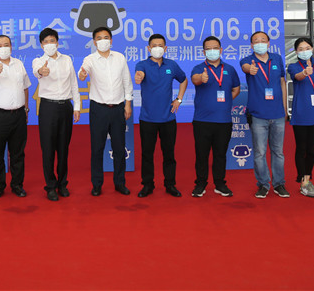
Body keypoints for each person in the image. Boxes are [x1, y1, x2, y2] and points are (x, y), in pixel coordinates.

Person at [78, 26, 133, 196]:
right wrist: (82, 74)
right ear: (94, 42)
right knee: (97, 148)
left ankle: (119, 183)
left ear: (111, 40)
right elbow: (83, 71)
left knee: (119, 148)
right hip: (99, 109)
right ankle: (97, 184)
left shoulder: (120, 58)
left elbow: (127, 81)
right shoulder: (90, 59)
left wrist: (128, 103)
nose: (103, 41)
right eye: (99, 38)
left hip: (118, 108)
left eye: (106, 37)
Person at [133, 34, 187, 198]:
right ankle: (147, 185)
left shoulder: (171, 65)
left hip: (168, 118)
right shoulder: (142, 64)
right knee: (147, 154)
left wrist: (179, 99)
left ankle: (170, 184)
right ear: (149, 48)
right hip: (147, 119)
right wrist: (139, 77)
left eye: (160, 45)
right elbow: (139, 75)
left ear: (165, 48)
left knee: (169, 154)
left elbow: (183, 80)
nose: (157, 48)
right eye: (154, 46)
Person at [33, 27, 81, 201]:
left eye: (52, 41)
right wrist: (42, 71)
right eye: (46, 42)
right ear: (41, 45)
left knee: (63, 148)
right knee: (48, 149)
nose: (49, 44)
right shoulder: (38, 61)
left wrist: (77, 106)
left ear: (57, 42)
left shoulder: (66, 59)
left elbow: (74, 83)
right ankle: (51, 186)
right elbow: (37, 72)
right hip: (48, 108)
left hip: (66, 107)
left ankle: (62, 184)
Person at [190, 36, 241, 197]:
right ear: (203, 52)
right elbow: (195, 79)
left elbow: (236, 88)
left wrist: (226, 102)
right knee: (202, 155)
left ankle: (220, 184)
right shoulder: (199, 68)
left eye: (215, 48)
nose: (212, 51)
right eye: (208, 49)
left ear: (221, 50)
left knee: (220, 154)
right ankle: (200, 184)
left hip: (223, 120)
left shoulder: (230, 69)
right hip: (202, 120)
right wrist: (201, 78)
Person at [0, 35, 31, 198]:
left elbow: (25, 87)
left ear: (11, 46)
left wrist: (26, 109)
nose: (3, 48)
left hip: (18, 115)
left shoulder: (19, 64)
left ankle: (17, 185)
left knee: (18, 153)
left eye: (6, 45)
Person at [241, 31, 289, 198]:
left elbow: (282, 82)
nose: (260, 43)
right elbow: (245, 68)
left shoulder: (277, 59)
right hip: (258, 114)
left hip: (278, 113)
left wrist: (284, 108)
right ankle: (263, 184)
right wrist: (250, 69)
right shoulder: (248, 61)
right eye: (256, 41)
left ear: (268, 43)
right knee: (260, 152)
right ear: (251, 45)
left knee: (278, 151)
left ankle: (279, 184)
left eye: (263, 40)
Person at [287, 38, 314, 197]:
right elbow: (297, 77)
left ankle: (307, 179)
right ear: (296, 52)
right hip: (300, 114)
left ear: (312, 49)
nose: (304, 51)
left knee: (312, 149)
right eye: (301, 49)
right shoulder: (293, 66)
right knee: (301, 148)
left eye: (307, 47)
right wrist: (304, 73)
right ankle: (303, 182)